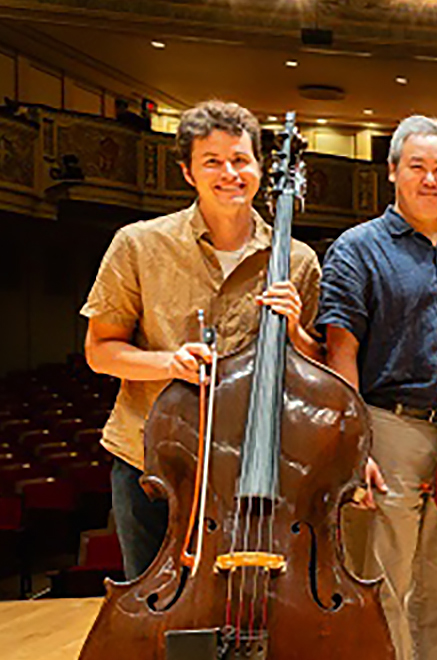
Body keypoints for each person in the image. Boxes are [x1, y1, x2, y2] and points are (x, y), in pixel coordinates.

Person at [81, 100, 320, 580]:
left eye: (240, 159)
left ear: (258, 168)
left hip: (249, 469)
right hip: (152, 463)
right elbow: (99, 351)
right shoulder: (138, 244)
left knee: (247, 608)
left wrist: (297, 331)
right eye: (212, 161)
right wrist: (170, 363)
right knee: (151, 606)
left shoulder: (297, 261)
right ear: (188, 172)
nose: (230, 173)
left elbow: (314, 371)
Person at [319, 115, 437, 660]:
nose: (431, 179)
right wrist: (358, 443)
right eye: (418, 167)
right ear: (393, 172)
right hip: (388, 425)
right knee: (385, 584)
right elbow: (340, 352)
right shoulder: (358, 248)